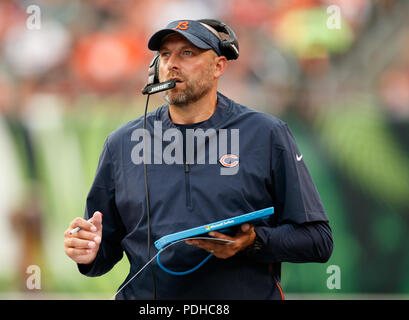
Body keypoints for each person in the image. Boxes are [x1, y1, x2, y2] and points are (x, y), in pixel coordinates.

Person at [64, 19, 333, 300]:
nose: (172, 64)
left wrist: (254, 241)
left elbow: (317, 241)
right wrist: (87, 251)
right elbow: (102, 252)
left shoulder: (266, 135)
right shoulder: (121, 143)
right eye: (165, 54)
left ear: (218, 66)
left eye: (187, 53)